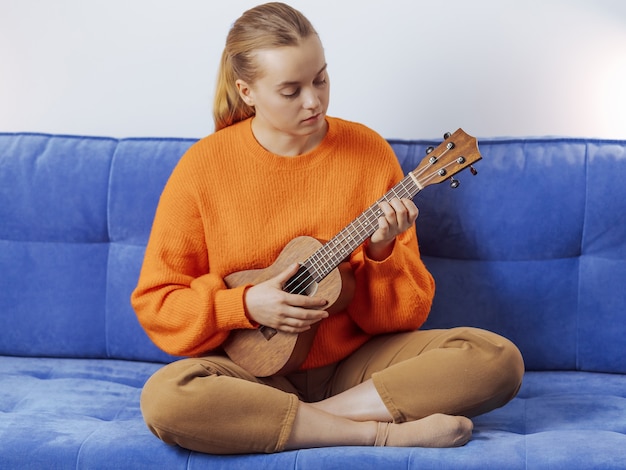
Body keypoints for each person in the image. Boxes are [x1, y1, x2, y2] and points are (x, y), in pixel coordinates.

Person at [131, 2, 524, 455]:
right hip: (253, 376)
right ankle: (374, 433)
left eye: (320, 78)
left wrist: (381, 253)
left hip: (354, 367)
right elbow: (158, 303)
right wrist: (243, 304)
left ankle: (308, 421)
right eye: (290, 90)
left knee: (497, 360)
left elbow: (403, 320)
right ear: (247, 91)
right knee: (166, 397)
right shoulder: (203, 168)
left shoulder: (368, 152)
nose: (313, 100)